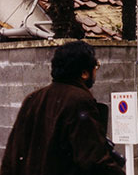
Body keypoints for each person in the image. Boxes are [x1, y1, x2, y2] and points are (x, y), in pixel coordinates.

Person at [0, 41, 125, 175]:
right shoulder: (79, 101)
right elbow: (93, 159)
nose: (96, 71)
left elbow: (12, 155)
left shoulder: (33, 98)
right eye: (96, 66)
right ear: (84, 73)